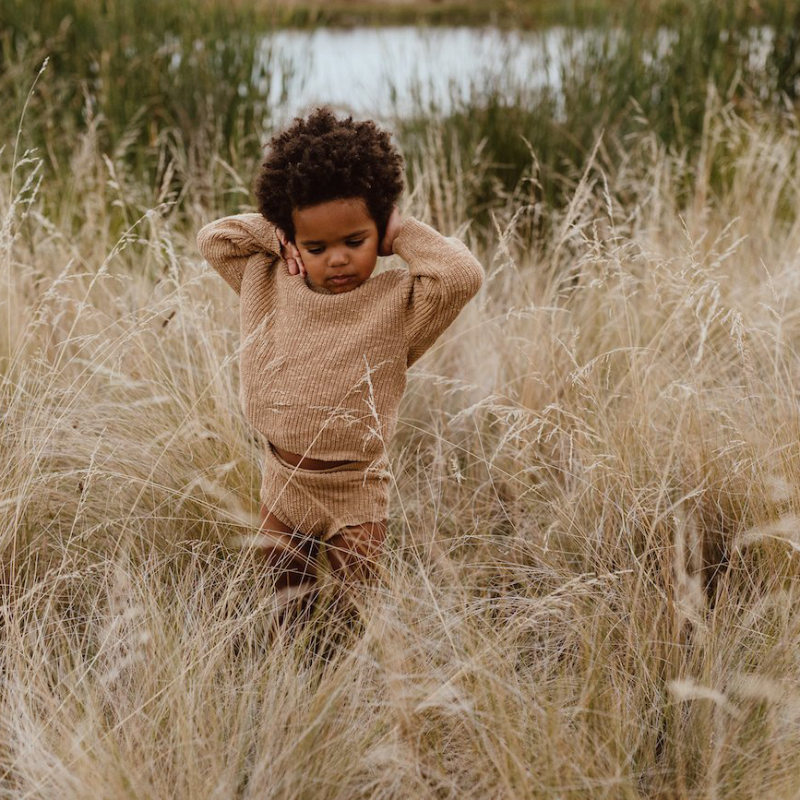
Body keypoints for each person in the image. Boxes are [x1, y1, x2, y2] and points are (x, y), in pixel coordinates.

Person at [196, 105, 484, 628]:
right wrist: (278, 235)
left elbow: (460, 275)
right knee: (288, 609)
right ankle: (297, 688)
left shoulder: (398, 305)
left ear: (379, 229)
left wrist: (403, 231)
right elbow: (216, 239)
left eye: (356, 241)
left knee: (354, 616)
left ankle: (353, 691)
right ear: (293, 240)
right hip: (282, 480)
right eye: (316, 245)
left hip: (354, 488)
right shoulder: (271, 284)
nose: (337, 259)